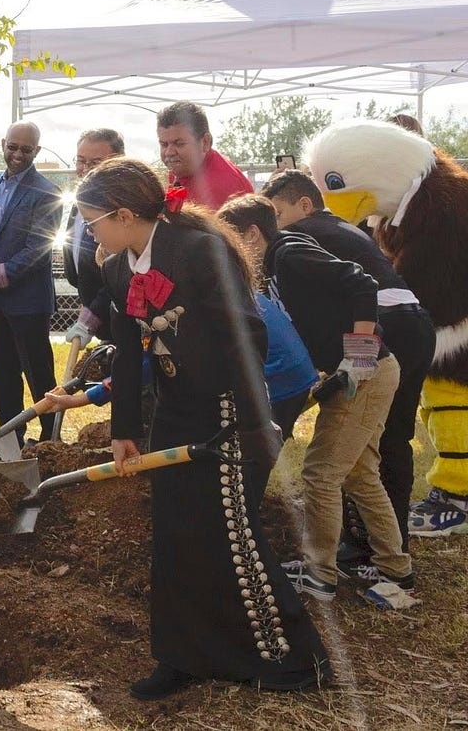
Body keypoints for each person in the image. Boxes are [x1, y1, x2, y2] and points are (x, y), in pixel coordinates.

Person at [80, 158, 329, 700]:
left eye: (93, 219)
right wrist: (124, 427)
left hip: (228, 411)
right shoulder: (117, 266)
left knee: (231, 535)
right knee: (175, 536)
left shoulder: (199, 251)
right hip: (174, 411)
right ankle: (182, 656)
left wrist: (244, 419)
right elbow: (127, 349)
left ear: (124, 214)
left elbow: (248, 335)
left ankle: (291, 659)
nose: (88, 230)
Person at [217, 195, 413, 607]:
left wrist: (358, 357)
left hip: (368, 372)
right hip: (360, 373)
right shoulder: (272, 271)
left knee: (321, 472)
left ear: (253, 234)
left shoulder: (289, 252)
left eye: (231, 242)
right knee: (360, 473)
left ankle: (319, 574)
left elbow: (363, 283)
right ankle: (397, 569)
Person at [262, 170, 436, 570]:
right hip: (415, 324)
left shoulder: (300, 236)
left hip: (384, 325)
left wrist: (357, 362)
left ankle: (362, 548)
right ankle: (387, 546)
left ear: (304, 205)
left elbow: (359, 289)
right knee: (390, 441)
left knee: (356, 448)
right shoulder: (340, 227)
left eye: (278, 213)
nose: (274, 225)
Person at [0, 121, 64, 445]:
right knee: (3, 375)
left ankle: (50, 440)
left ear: (36, 151)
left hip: (28, 301)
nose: (17, 154)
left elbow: (39, 249)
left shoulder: (47, 192)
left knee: (39, 374)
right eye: (12, 147)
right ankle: (11, 438)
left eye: (26, 149)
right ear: (3, 144)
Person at [62, 128, 125, 347]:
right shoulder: (80, 199)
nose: (85, 170)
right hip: (97, 316)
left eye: (95, 162)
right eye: (81, 161)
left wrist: (91, 316)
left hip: (122, 318)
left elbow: (123, 271)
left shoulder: (122, 207)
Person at [157, 101, 254, 210]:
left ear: (205, 142)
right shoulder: (181, 170)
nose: (169, 152)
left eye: (179, 144)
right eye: (164, 144)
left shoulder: (222, 188)